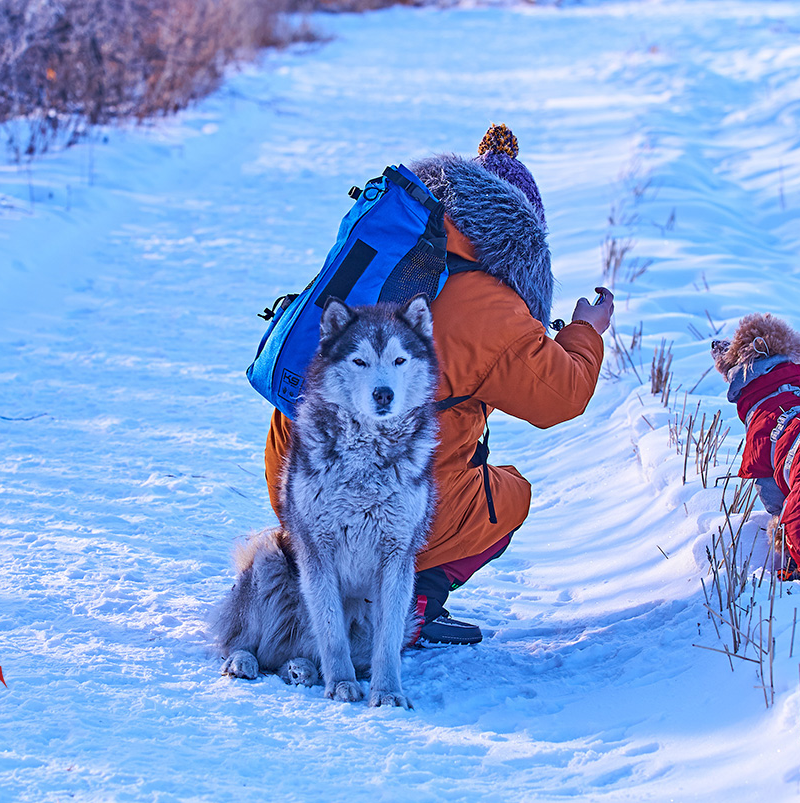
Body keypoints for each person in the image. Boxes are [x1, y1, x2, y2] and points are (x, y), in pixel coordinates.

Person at [263, 124, 613, 644]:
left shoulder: (385, 253)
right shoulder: (494, 305)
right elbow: (564, 396)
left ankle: (314, 564)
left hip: (292, 484)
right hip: (378, 511)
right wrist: (586, 330)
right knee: (510, 494)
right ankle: (411, 605)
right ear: (524, 236)